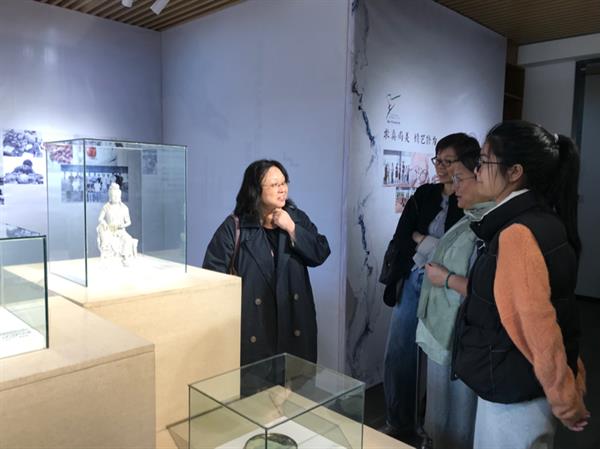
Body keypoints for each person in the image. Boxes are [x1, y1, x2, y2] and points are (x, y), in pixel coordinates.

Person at [453, 121, 589, 449]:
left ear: (514, 172)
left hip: (514, 391)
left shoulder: (518, 234)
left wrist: (565, 398)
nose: (477, 170)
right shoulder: (545, 221)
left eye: (484, 161)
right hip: (521, 384)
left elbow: (539, 327)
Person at [379, 133, 467, 438]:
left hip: (447, 289)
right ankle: (399, 421)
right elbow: (403, 236)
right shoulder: (425, 193)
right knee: (400, 351)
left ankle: (433, 430)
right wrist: (430, 244)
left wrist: (424, 240)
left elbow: (459, 252)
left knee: (440, 360)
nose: (440, 167)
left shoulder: (470, 199)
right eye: (437, 160)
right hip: (413, 279)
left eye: (448, 161)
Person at [203, 159, 330, 365]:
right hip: (255, 325)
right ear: (255, 190)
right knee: (256, 383)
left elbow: (320, 253)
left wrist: (292, 229)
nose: (282, 189)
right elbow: (212, 278)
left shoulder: (296, 218)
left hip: (294, 322)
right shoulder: (235, 227)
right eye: (274, 184)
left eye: (284, 183)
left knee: (296, 382)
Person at [415, 141, 494, 449]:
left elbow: (489, 290)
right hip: (444, 331)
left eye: (460, 177)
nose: (454, 184)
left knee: (458, 414)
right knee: (440, 410)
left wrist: (446, 278)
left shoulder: (490, 226)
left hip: (461, 336)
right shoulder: (470, 217)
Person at [97, 182, 138, 265]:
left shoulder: (124, 208)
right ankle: (106, 257)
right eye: (113, 196)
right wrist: (104, 222)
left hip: (120, 230)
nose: (115, 198)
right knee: (106, 238)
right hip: (109, 229)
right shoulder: (106, 207)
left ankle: (125, 258)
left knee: (127, 239)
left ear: (120, 196)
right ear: (110, 196)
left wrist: (123, 225)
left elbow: (129, 222)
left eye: (117, 196)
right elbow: (100, 218)